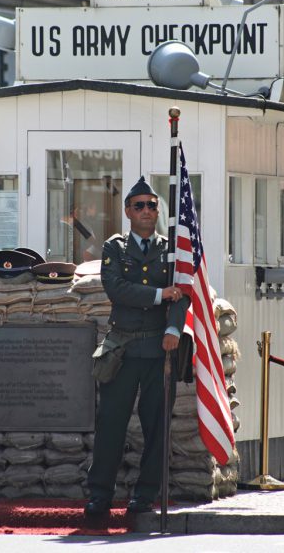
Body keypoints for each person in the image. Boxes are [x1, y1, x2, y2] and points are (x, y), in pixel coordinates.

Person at [84, 176, 189, 516]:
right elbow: (117, 289)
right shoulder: (115, 247)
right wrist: (160, 294)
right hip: (124, 348)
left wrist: (174, 325)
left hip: (160, 348)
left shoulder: (170, 249)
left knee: (156, 426)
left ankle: (144, 495)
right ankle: (100, 495)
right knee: (111, 423)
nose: (147, 210)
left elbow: (182, 292)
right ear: (128, 211)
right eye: (140, 205)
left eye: (152, 205)